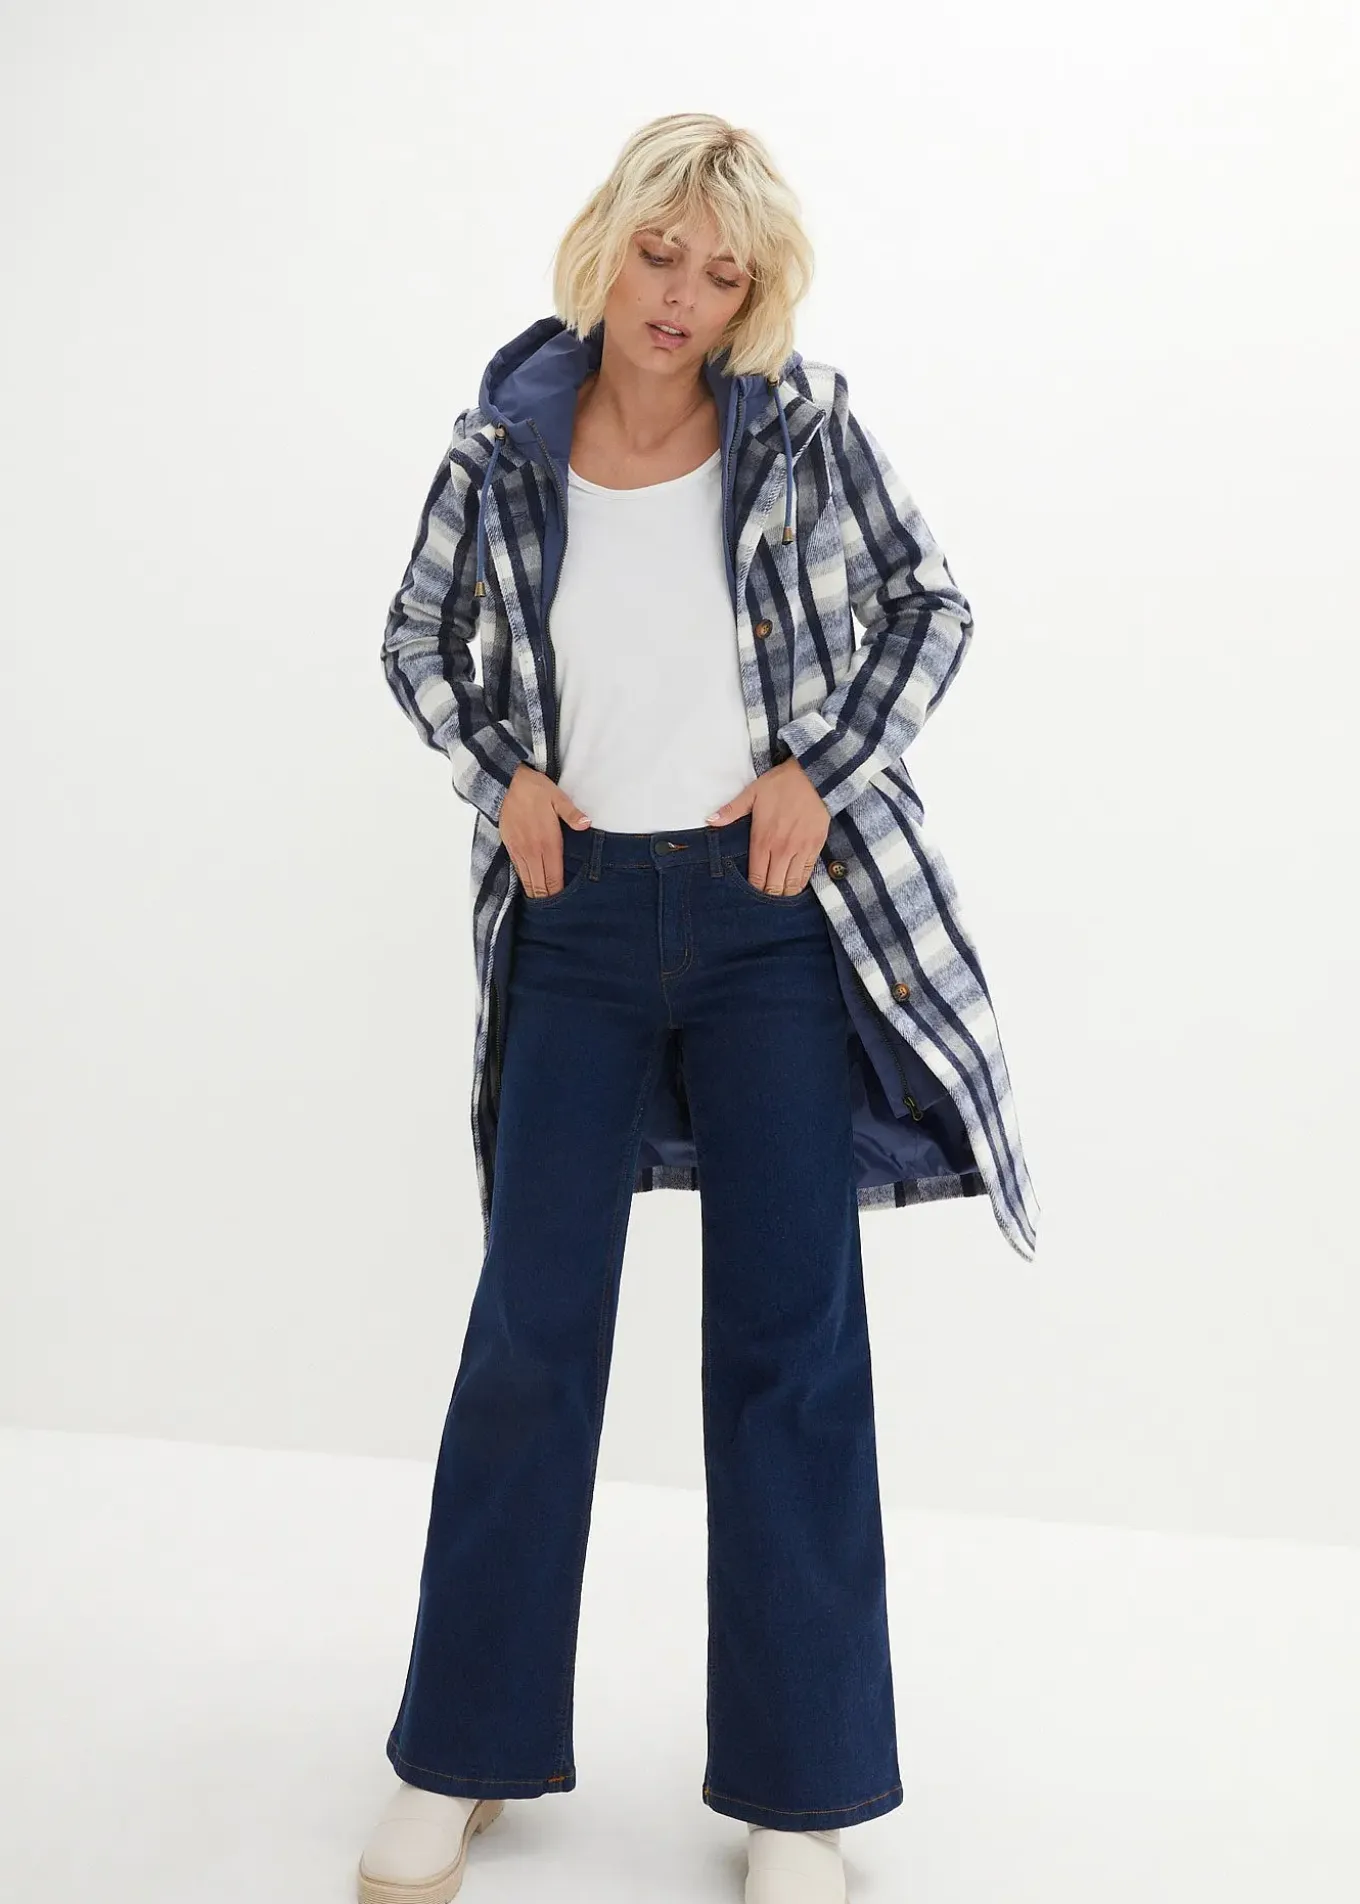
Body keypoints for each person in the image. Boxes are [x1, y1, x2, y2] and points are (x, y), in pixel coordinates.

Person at [359, 111, 1040, 1904]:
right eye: (662, 254)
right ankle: (460, 1755)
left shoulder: (804, 430)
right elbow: (415, 641)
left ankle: (802, 1794)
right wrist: (502, 775)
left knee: (789, 1347)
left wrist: (823, 769)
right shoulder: (502, 449)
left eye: (722, 272)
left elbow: (932, 605)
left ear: (755, 293)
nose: (681, 296)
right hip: (576, 920)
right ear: (609, 242)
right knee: (532, 1334)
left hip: (769, 926)